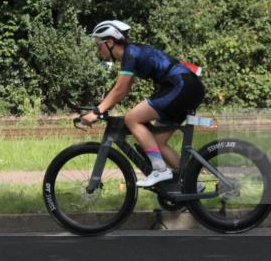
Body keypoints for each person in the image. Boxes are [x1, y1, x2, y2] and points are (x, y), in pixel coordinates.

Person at [80, 20, 205, 187]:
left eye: (98, 45)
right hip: (186, 87)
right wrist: (101, 105)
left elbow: (120, 89)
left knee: (132, 119)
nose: (98, 50)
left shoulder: (130, 54)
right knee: (156, 142)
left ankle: (160, 170)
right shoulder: (132, 53)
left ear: (109, 42)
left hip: (181, 86)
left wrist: (97, 112)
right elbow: (123, 90)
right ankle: (192, 184)